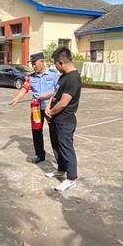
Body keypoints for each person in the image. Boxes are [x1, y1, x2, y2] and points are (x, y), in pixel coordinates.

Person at [9, 52, 59, 163]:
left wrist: (47, 96)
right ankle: (40, 155)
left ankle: (59, 158)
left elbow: (58, 90)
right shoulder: (31, 77)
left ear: (42, 61)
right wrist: (16, 99)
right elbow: (25, 88)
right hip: (36, 109)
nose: (33, 66)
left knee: (54, 133)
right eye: (32, 64)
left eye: (34, 63)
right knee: (36, 131)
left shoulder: (53, 75)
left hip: (50, 108)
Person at [44, 46, 82, 192]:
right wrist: (48, 107)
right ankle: (61, 170)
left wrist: (50, 112)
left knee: (66, 148)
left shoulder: (73, 78)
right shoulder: (63, 76)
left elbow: (63, 103)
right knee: (56, 146)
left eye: (55, 64)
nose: (55, 67)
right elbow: (55, 94)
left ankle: (71, 179)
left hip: (65, 121)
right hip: (55, 119)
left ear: (61, 62)